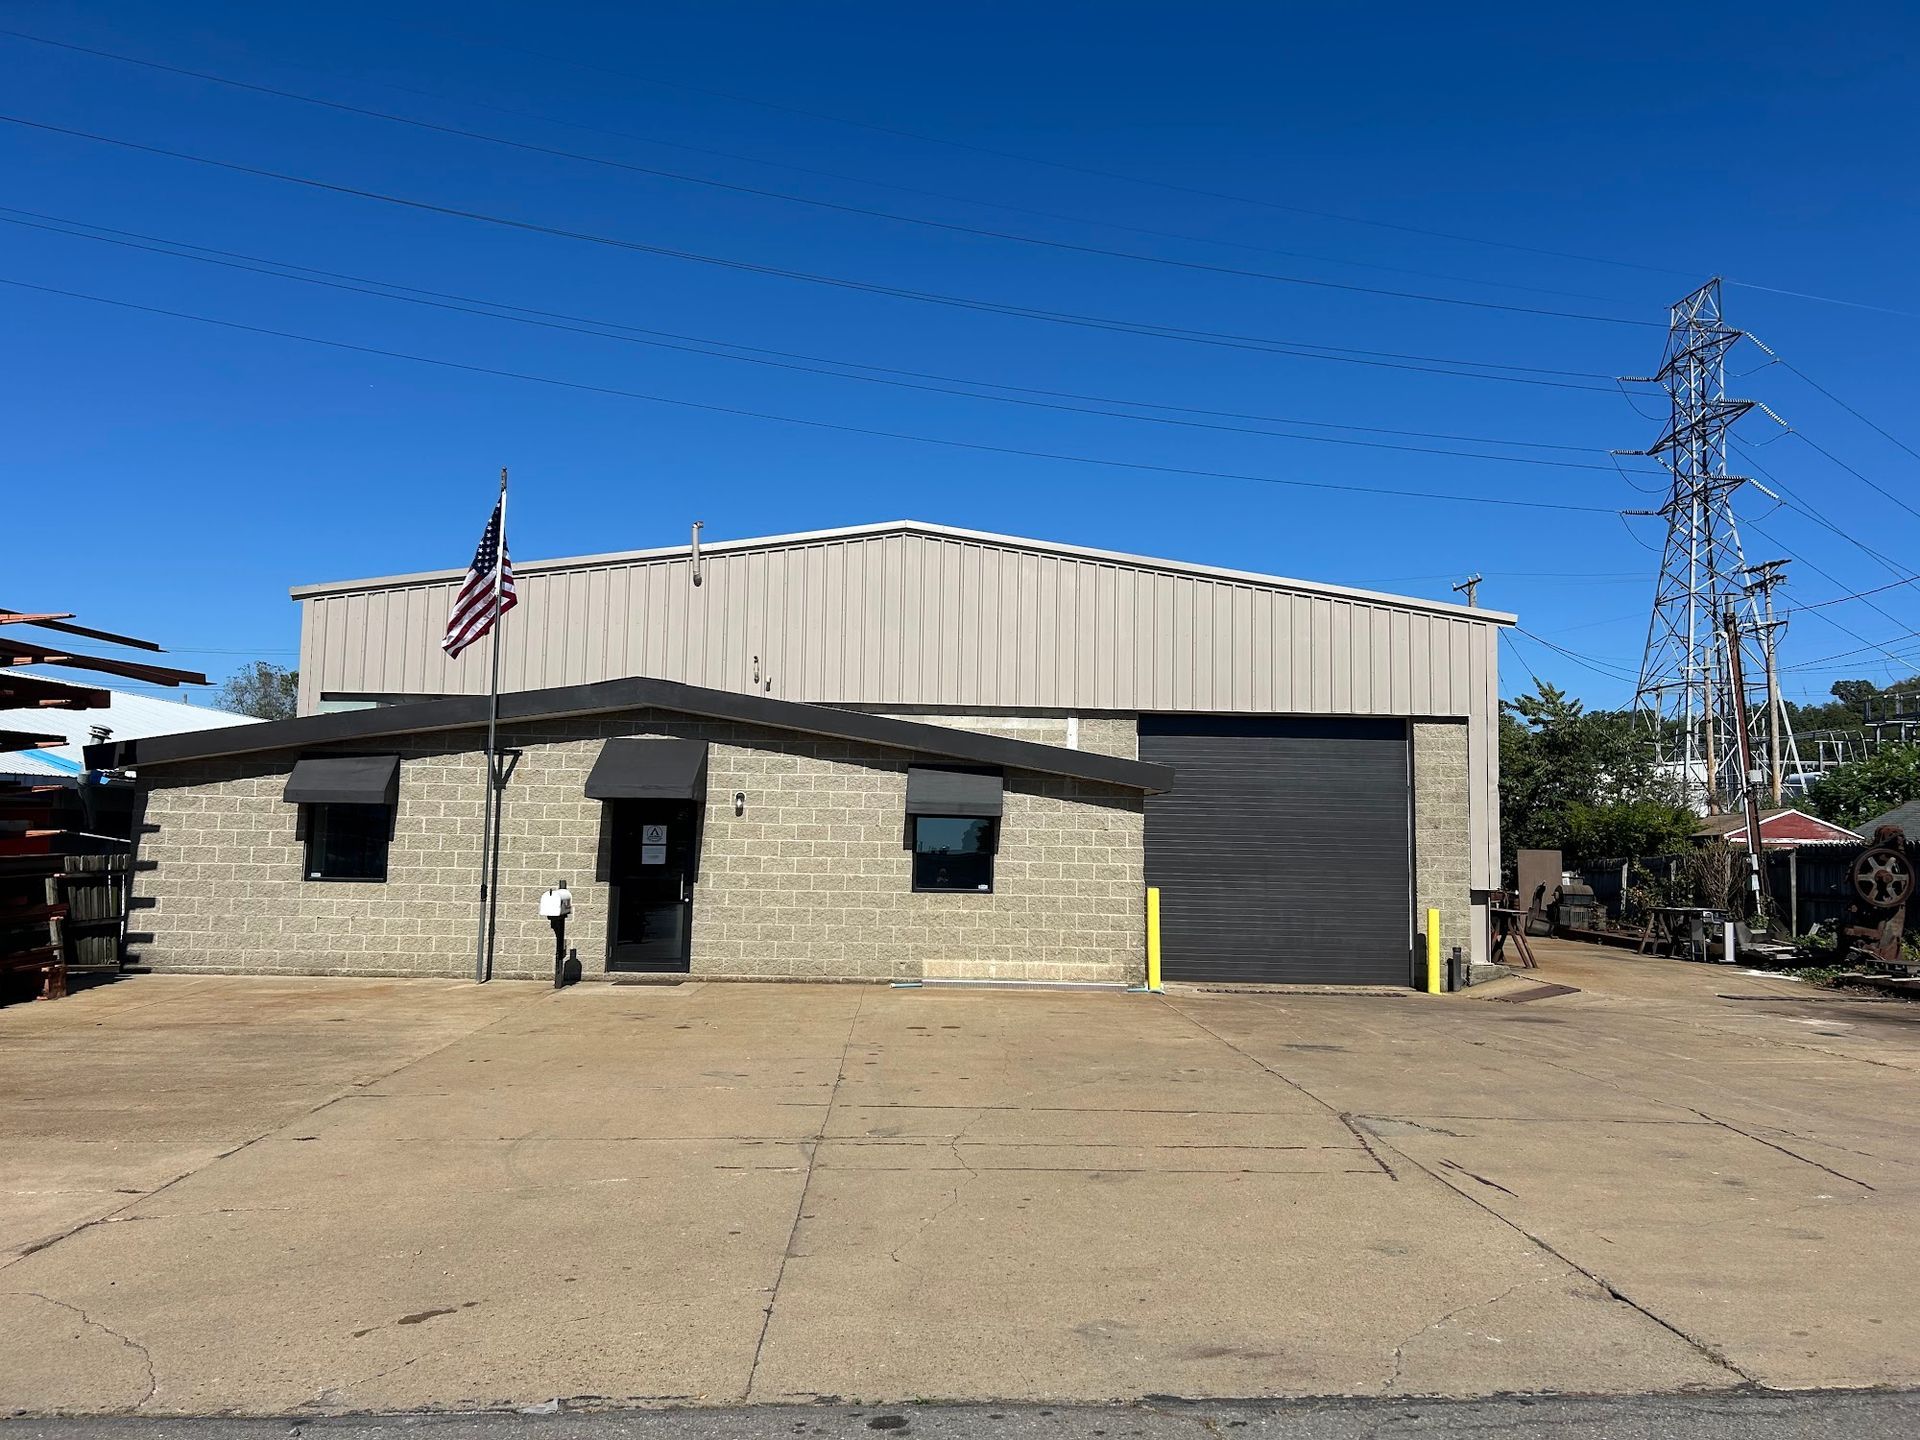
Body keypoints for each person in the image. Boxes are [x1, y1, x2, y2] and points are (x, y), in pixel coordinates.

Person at [539, 881, 573, 981]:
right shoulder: (556, 896)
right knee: (558, 937)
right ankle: (558, 975)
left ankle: (559, 975)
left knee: (559, 939)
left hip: (557, 913)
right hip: (555, 912)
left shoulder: (559, 896)